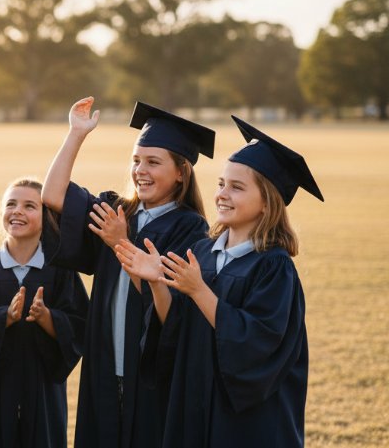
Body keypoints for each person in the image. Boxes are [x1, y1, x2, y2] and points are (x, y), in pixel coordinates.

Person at [115, 116, 321, 448]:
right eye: (222, 183)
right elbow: (175, 330)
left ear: (267, 201)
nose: (222, 194)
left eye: (237, 187)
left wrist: (198, 290)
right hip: (194, 404)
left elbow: (257, 344)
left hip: (244, 422)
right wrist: (155, 282)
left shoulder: (273, 268)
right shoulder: (202, 253)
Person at [40, 97, 214, 448]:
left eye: (153, 162)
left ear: (181, 172)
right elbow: (53, 195)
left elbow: (171, 309)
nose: (140, 170)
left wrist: (121, 243)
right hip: (105, 363)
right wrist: (76, 135)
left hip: (149, 372)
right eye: (136, 160)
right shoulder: (117, 210)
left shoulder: (191, 230)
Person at [0, 178, 89, 448]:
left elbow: (81, 325)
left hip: (42, 386)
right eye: (11, 204)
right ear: (1, 213)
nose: (18, 210)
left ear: (46, 218)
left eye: (29, 205)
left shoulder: (60, 271)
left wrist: (49, 319)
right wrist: (4, 317)